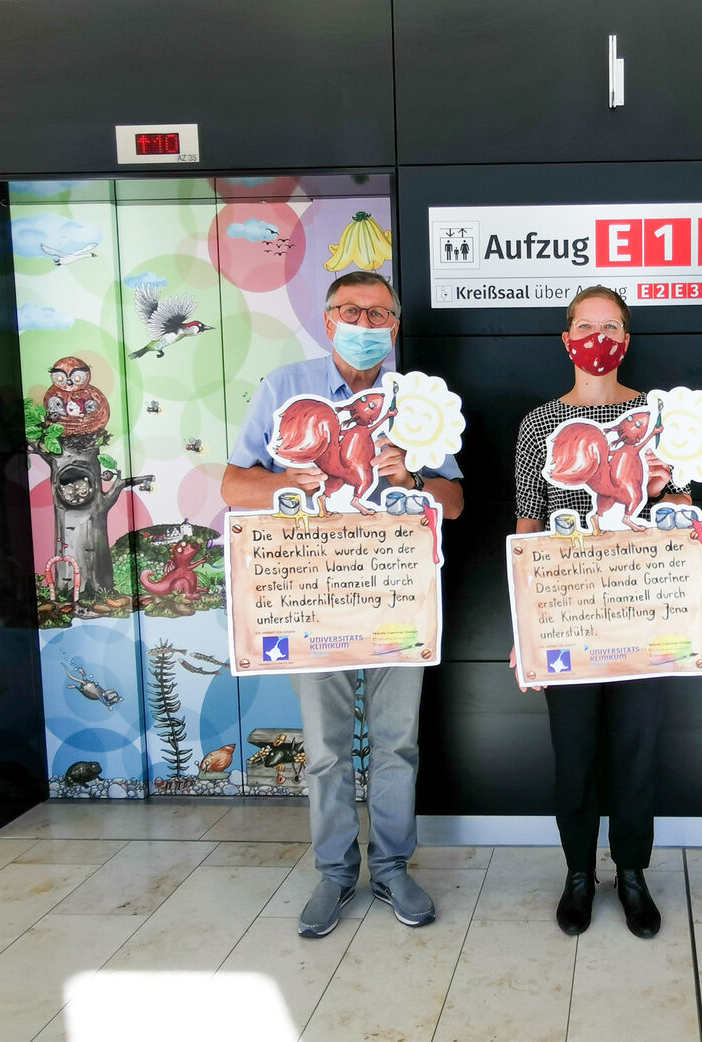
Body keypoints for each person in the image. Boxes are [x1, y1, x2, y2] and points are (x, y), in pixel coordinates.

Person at [222, 271, 464, 937]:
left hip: (394, 595)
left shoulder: (417, 403)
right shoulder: (284, 389)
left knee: (397, 742)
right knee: (326, 747)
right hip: (311, 599)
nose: (366, 323)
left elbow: (454, 500)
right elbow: (232, 485)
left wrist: (411, 476)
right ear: (328, 320)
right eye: (352, 311)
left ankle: (390, 867)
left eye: (380, 313)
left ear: (394, 325)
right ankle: (333, 873)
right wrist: (280, 482)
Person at [509, 286, 689, 939]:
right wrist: (526, 628)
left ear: (626, 339)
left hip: (644, 611)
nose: (597, 336)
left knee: (636, 751)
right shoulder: (538, 425)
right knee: (574, 751)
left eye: (610, 326)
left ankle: (633, 873)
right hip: (565, 615)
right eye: (586, 326)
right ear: (566, 338)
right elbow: (527, 528)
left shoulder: (659, 417)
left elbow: (682, 520)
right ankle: (578, 874)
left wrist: (674, 485)